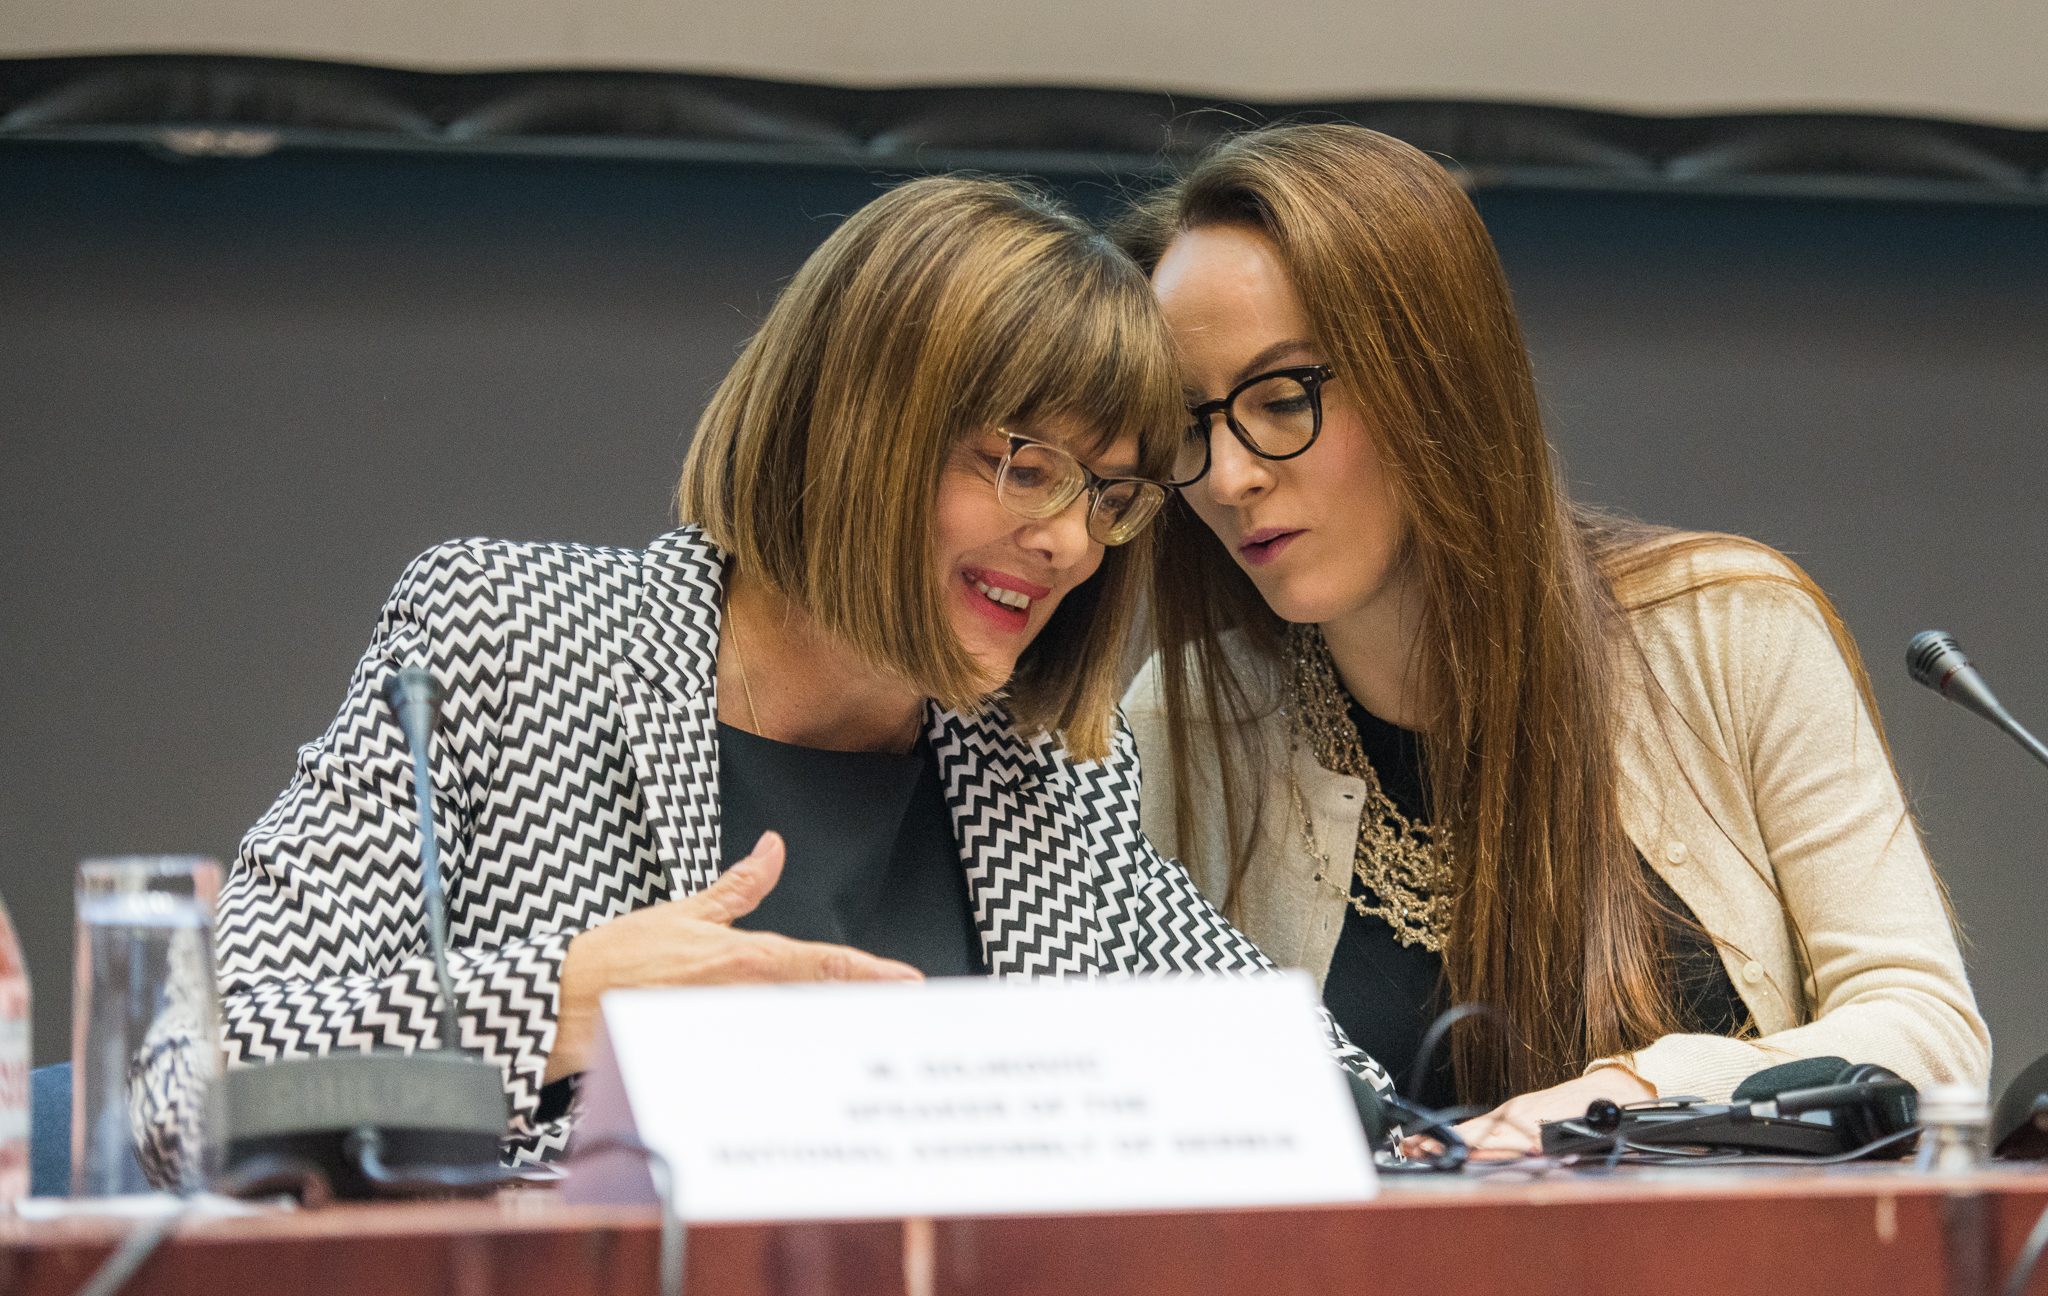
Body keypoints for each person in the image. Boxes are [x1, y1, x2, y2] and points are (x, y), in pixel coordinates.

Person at [146, 175, 1389, 1177]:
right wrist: (564, 1003)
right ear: (853, 429)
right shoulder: (502, 637)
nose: (1068, 541)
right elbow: (185, 1083)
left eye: (1107, 494)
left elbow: (1330, 1091)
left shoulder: (1047, 774)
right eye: (1021, 465)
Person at [1117, 124, 1989, 1156]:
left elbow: (1928, 1034)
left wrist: (1622, 1097)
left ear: (1434, 376)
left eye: (1278, 399)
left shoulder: (1731, 629)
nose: (1227, 477)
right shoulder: (1178, 715)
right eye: (1189, 425)